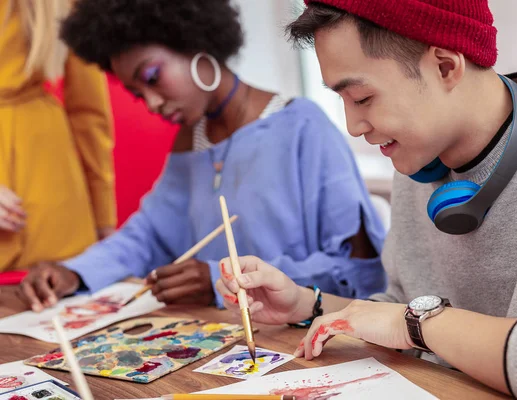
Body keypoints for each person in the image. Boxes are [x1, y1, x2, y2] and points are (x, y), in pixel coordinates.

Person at [216, 1, 517, 399]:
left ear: (445, 67)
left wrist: (417, 322)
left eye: (362, 98)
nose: (353, 126)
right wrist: (307, 305)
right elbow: (401, 309)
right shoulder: (417, 156)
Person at [18, 0, 387, 312]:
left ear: (195, 41)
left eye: (152, 76)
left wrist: (218, 279)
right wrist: (74, 272)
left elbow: (357, 273)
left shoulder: (302, 126)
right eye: (137, 93)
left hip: (303, 345)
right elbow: (145, 236)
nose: (152, 103)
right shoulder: (189, 144)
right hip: (220, 350)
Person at [0, 0, 115, 272]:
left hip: (52, 190)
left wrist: (104, 220)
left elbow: (89, 113)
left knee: (64, 299)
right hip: (46, 170)